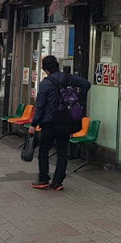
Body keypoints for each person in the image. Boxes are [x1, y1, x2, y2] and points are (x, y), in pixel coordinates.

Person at [29, 55, 91, 191]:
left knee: (44, 150)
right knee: (62, 151)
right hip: (66, 121)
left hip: (49, 122)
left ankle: (43, 179)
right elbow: (86, 84)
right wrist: (79, 99)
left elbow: (40, 106)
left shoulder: (45, 84)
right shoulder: (68, 77)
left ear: (46, 69)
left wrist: (34, 124)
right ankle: (58, 182)